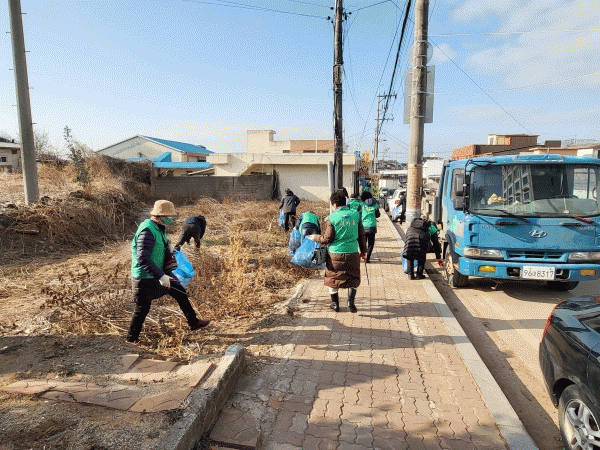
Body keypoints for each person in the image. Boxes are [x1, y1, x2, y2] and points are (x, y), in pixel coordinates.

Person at [127, 200, 210, 343]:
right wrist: (161, 276)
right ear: (161, 216)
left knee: (180, 292)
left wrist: (169, 255)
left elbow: (158, 248)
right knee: (142, 308)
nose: (171, 219)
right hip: (145, 277)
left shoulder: (158, 228)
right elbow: (142, 258)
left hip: (159, 273)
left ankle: (193, 322)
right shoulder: (147, 230)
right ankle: (130, 340)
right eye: (169, 216)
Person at [307, 190, 367, 313]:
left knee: (333, 279)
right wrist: (363, 251)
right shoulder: (356, 215)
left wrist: (316, 237)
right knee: (353, 277)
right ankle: (350, 302)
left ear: (335, 204)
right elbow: (362, 235)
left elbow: (327, 239)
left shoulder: (332, 218)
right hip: (352, 253)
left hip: (335, 254)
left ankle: (335, 304)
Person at [360, 191, 380, 263]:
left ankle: (363, 255)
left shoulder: (362, 205)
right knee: (371, 243)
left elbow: (359, 214)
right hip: (372, 226)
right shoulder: (375, 205)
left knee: (363, 242)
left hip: (364, 226)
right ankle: (367, 258)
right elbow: (378, 215)